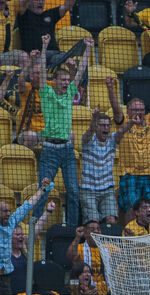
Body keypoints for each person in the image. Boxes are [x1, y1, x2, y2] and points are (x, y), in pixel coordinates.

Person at [35, 34, 93, 228]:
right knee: (43, 190)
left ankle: (72, 228)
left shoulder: (70, 94)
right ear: (55, 80)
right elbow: (42, 71)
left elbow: (82, 70)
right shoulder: (47, 93)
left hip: (67, 151)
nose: (67, 82)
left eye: (68, 79)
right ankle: (35, 224)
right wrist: (44, 47)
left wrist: (88, 49)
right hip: (50, 150)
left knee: (74, 191)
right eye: (63, 79)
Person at [0, 180, 52, 295]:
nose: (8, 213)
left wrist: (42, 190)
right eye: (4, 211)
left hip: (6, 278)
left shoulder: (12, 222)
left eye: (9, 211)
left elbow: (28, 205)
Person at [116, 97, 150, 225]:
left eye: (141, 110)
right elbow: (115, 107)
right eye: (135, 109)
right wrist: (109, 88)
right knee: (131, 207)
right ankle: (131, 237)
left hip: (149, 172)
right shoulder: (123, 122)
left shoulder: (149, 122)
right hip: (130, 174)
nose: (139, 112)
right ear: (128, 111)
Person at [80, 105, 124, 226]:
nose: (106, 128)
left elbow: (121, 131)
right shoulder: (88, 140)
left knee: (111, 221)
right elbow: (89, 132)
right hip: (88, 189)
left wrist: (131, 122)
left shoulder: (112, 141)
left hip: (107, 189)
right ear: (96, 127)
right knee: (93, 223)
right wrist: (94, 118)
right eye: (102, 125)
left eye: (108, 125)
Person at [65, 219, 110, 291]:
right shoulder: (80, 248)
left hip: (103, 289)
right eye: (92, 229)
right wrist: (78, 237)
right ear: (85, 233)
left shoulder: (108, 248)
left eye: (98, 229)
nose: (96, 231)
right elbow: (70, 256)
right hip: (82, 288)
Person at [14, 51, 45, 149]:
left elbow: (69, 86)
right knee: (31, 136)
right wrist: (31, 61)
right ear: (31, 76)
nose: (40, 75)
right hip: (26, 133)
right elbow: (21, 79)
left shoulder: (49, 87)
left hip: (44, 133)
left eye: (42, 73)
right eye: (38, 73)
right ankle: (27, 161)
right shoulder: (27, 88)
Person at [0, 0, 28, 68]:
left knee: (23, 56)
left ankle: (21, 78)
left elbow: (24, 2)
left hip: (6, 55)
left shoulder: (11, 6)